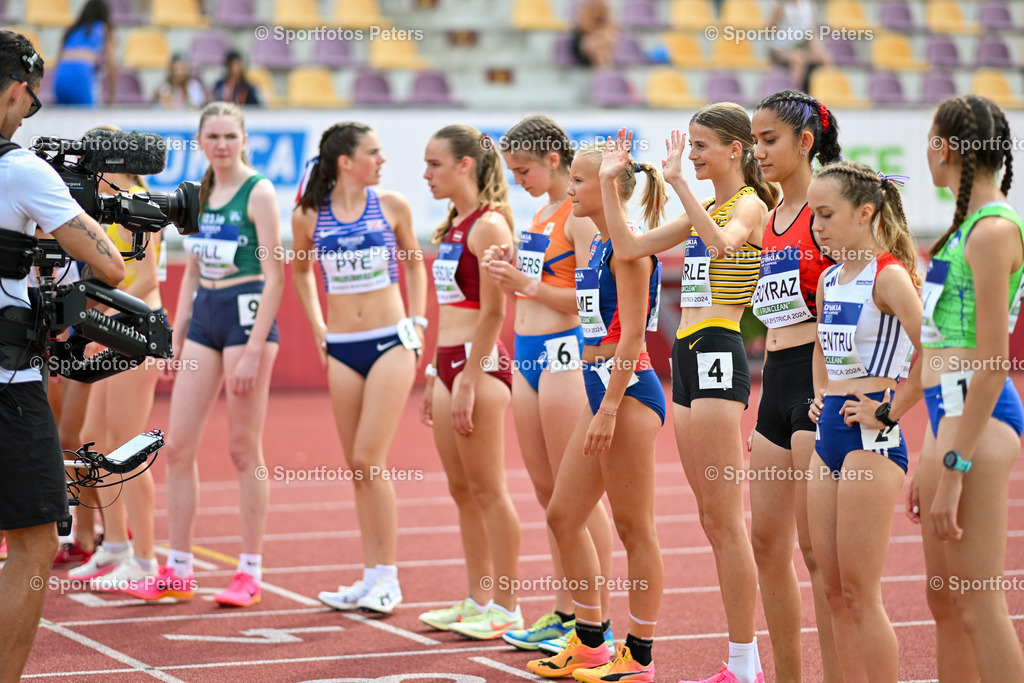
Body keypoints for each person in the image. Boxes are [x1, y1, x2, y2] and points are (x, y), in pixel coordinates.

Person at [599, 106, 777, 683]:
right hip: (686, 356)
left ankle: (745, 662)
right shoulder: (702, 208)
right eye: (690, 146)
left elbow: (724, 246)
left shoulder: (750, 204)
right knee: (709, 518)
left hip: (722, 348)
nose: (692, 155)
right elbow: (627, 247)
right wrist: (609, 185)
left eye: (702, 146)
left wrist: (677, 182)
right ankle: (742, 662)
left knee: (727, 518)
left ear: (735, 150)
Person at [0, 29, 125, 679]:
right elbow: (110, 265)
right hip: (9, 384)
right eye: (30, 102)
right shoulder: (22, 170)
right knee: (34, 543)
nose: (28, 115)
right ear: (17, 90)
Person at [125, 101, 284, 607]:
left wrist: (255, 348)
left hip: (246, 314)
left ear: (244, 141)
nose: (221, 145)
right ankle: (179, 570)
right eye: (212, 136)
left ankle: (250, 571)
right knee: (177, 447)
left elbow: (276, 275)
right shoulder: (197, 194)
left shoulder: (259, 192)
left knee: (243, 449)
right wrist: (176, 334)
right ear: (199, 141)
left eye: (230, 136)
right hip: (205, 318)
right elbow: (192, 268)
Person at [526, 134, 666, 682]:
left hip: (625, 392)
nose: (571, 190)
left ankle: (640, 657)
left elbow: (632, 338)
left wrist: (608, 407)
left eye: (580, 180)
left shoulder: (630, 248)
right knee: (563, 515)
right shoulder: (603, 245)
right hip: (597, 385)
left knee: (635, 528)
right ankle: (589, 642)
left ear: (610, 186)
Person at [483, 116, 614, 653]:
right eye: (511, 172)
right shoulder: (537, 213)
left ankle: (596, 617)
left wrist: (526, 284)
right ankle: (566, 611)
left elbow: (588, 301)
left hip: (564, 355)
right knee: (546, 492)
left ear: (553, 160)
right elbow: (533, 285)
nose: (517, 181)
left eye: (523, 170)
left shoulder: (579, 216)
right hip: (527, 355)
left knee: (574, 495)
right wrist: (508, 271)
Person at [292, 122, 427, 614]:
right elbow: (301, 270)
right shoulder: (309, 215)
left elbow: (414, 262)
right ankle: (370, 576)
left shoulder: (392, 205)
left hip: (391, 341)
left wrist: (417, 321)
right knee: (357, 465)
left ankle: (389, 579)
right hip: (342, 346)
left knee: (370, 457)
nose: (382, 159)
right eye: (374, 152)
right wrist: (318, 325)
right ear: (346, 162)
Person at [912, 94, 1024, 682]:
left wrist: (954, 467)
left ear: (948, 149)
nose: (926, 154)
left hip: (977, 417)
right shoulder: (963, 229)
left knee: (979, 603)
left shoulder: (993, 231)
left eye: (930, 142)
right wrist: (930, 452)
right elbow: (936, 343)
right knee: (946, 602)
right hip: (945, 414)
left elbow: (993, 361)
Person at [806, 160, 922, 683]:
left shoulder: (888, 276)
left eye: (827, 214)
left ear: (865, 212)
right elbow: (821, 350)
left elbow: (935, 353)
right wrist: (820, 395)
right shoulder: (831, 279)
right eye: (813, 215)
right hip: (829, 431)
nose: (817, 226)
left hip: (870, 438)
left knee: (859, 591)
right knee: (832, 589)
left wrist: (889, 411)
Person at [748, 90, 843, 683]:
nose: (758, 152)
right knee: (766, 543)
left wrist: (844, 384)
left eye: (769, 140)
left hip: (816, 380)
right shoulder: (771, 216)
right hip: (774, 383)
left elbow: (875, 286)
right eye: (753, 141)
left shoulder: (829, 211)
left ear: (805, 142)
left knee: (817, 555)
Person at [417, 125, 523, 639]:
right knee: (461, 490)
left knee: (488, 489)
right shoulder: (454, 224)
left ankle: (507, 605)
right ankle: (477, 597)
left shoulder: (490, 225)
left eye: (434, 163)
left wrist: (467, 380)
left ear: (465, 164)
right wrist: (434, 372)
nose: (426, 174)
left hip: (478, 367)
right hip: (447, 364)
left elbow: (494, 312)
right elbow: (449, 309)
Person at [64, 160, 164, 592]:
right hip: (113, 330)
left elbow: (149, 278)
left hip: (139, 332)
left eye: (92, 166)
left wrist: (104, 315)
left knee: (127, 448)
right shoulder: (103, 208)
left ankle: (146, 560)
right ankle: (117, 546)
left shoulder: (141, 205)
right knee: (93, 439)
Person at [53, 0, 115, 106]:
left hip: (60, 78)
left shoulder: (72, 29)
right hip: (81, 77)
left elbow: (58, 60)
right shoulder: (103, 29)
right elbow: (111, 65)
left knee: (64, 115)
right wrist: (112, 95)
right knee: (88, 116)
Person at [767, 0, 831, 94]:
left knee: (825, 57)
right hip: (780, 49)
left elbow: (812, 31)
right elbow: (769, 31)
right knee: (798, 59)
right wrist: (777, 17)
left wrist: (817, 49)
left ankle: (826, 91)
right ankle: (795, 94)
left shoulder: (808, 5)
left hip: (802, 46)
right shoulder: (780, 5)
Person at [571, 0, 618, 68]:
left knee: (606, 42)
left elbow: (611, 27)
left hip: (601, 39)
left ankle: (601, 68)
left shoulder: (605, 8)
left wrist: (602, 33)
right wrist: (600, 33)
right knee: (599, 45)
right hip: (584, 40)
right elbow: (584, 28)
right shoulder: (585, 8)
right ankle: (602, 68)